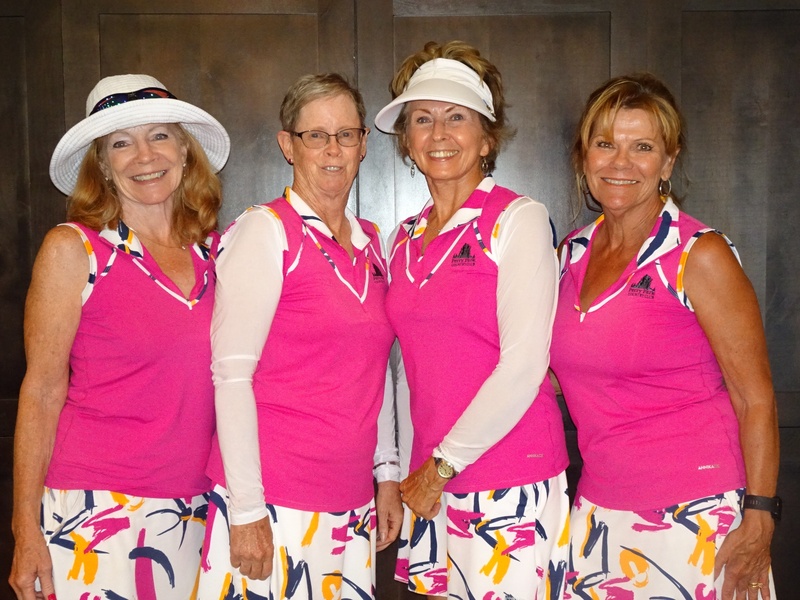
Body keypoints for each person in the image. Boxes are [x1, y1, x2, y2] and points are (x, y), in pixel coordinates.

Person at [549, 73, 779, 599]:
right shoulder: (570, 255)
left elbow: (755, 397)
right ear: (583, 156)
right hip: (599, 509)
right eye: (605, 144)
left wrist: (761, 514)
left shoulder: (698, 253)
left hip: (697, 514)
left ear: (668, 163)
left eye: (643, 147)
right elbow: (561, 376)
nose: (621, 162)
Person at [9, 73, 230, 599]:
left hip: (196, 507)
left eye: (159, 136)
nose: (144, 156)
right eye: (121, 143)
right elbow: (41, 391)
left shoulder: (218, 252)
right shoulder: (75, 249)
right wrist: (24, 529)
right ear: (103, 166)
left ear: (184, 150)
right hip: (96, 510)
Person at [375, 40, 570, 599]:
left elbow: (525, 365)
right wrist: (407, 471)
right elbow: (406, 371)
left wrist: (440, 467)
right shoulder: (402, 239)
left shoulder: (518, 219)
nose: (439, 133)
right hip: (430, 481)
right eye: (422, 119)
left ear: (487, 138)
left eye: (456, 117)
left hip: (508, 476)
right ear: (407, 141)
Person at [199, 73, 401, 600]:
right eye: (316, 135)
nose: (333, 150)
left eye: (347, 134)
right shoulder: (266, 231)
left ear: (363, 144)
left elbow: (375, 370)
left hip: (350, 501)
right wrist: (246, 509)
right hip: (273, 502)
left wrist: (386, 472)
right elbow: (231, 375)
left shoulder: (373, 243)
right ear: (287, 145)